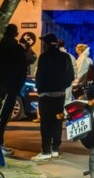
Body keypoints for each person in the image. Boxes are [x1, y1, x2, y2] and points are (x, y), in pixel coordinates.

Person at [0, 24, 37, 155]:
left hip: (0, 85)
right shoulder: (15, 48)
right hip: (9, 86)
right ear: (15, 34)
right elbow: (28, 60)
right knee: (2, 116)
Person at [32, 33, 74, 161]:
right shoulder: (65, 57)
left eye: (44, 43)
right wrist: (63, 86)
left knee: (45, 123)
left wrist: (39, 89)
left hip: (46, 94)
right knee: (57, 122)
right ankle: (55, 149)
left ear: (47, 44)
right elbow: (70, 76)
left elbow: (39, 76)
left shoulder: (44, 57)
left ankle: (46, 151)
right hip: (60, 94)